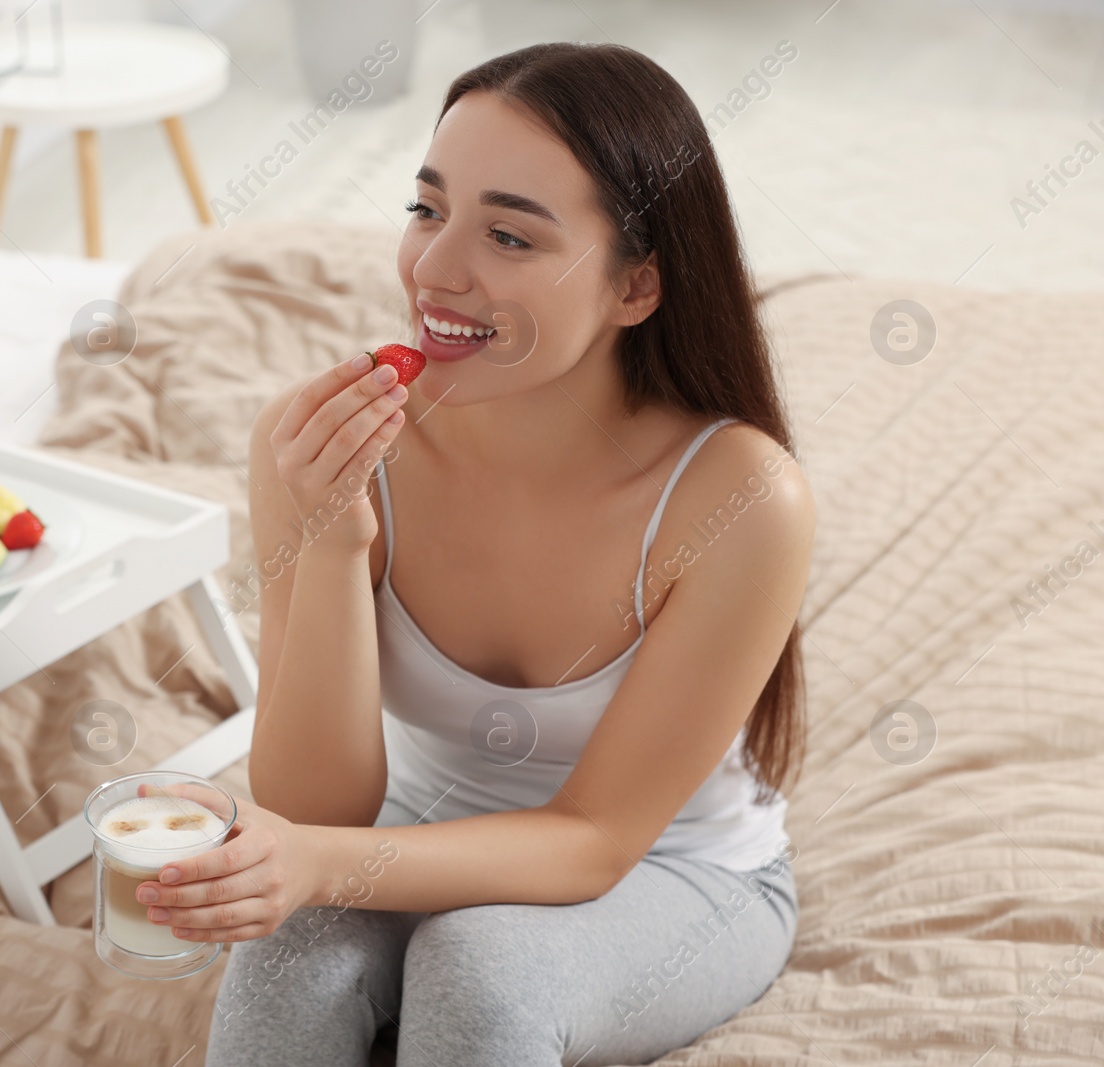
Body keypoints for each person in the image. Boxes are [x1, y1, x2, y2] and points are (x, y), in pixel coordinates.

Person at [140, 41, 816, 1066]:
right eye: (426, 209)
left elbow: (593, 838)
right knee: (290, 958)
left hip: (671, 871)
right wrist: (326, 542)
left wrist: (315, 859)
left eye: (508, 234)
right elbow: (315, 812)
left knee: (480, 965)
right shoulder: (321, 441)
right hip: (409, 828)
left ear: (635, 287)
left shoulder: (739, 500)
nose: (436, 269)